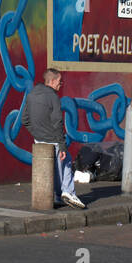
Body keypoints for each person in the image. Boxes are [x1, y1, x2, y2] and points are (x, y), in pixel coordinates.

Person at [20, 67, 86, 209]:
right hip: (53, 139)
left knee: (56, 168)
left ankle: (58, 196)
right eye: (59, 81)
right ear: (52, 80)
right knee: (66, 161)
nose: (60, 84)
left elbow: (24, 119)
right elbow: (57, 122)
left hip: (39, 140)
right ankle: (68, 192)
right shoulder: (53, 97)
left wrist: (37, 133)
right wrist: (62, 145)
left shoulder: (31, 95)